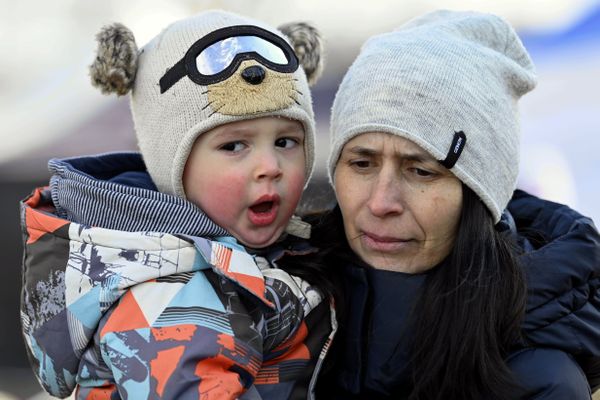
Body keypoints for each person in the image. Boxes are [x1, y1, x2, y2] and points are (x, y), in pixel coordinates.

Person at [19, 10, 336, 399]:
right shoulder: (167, 295)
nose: (269, 167)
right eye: (234, 146)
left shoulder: (250, 249)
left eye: (286, 142)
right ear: (174, 167)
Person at [313, 10, 600, 400]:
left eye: (421, 172)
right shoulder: (276, 314)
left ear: (481, 194)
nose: (381, 202)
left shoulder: (536, 382)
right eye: (361, 163)